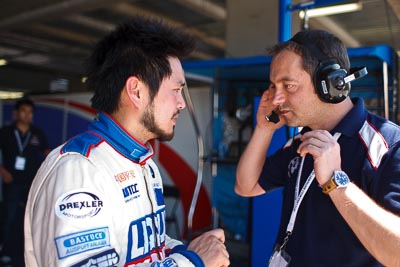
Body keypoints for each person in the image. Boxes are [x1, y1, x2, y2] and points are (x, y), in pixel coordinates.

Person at [24, 16, 230, 267]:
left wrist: (191, 249)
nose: (181, 103)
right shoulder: (79, 171)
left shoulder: (144, 165)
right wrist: (193, 261)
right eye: (176, 90)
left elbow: (147, 248)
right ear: (136, 91)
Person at [235, 29, 400, 266]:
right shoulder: (301, 142)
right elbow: (246, 185)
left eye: (288, 86)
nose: (277, 99)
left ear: (331, 84)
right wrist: (264, 129)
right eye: (274, 86)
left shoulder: (387, 146)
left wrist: (336, 182)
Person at [0, 97, 49, 266]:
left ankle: (26, 253)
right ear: (16, 113)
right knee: (9, 217)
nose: (27, 115)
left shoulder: (37, 133)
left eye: (30, 112)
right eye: (23, 111)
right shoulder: (6, 132)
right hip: (12, 181)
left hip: (32, 183)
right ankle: (5, 251)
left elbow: (47, 152)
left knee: (29, 219)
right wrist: (2, 171)